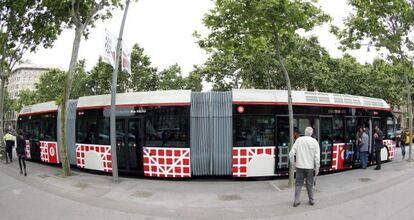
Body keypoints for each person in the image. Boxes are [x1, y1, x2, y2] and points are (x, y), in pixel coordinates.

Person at [289, 127, 320, 207]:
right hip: (309, 167)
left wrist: (294, 163)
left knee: (298, 184)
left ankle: (296, 201)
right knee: (309, 184)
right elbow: (317, 158)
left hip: (299, 166)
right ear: (312, 133)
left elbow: (291, 154)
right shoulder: (315, 142)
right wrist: (317, 168)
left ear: (305, 132)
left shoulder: (299, 140)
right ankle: (311, 200)